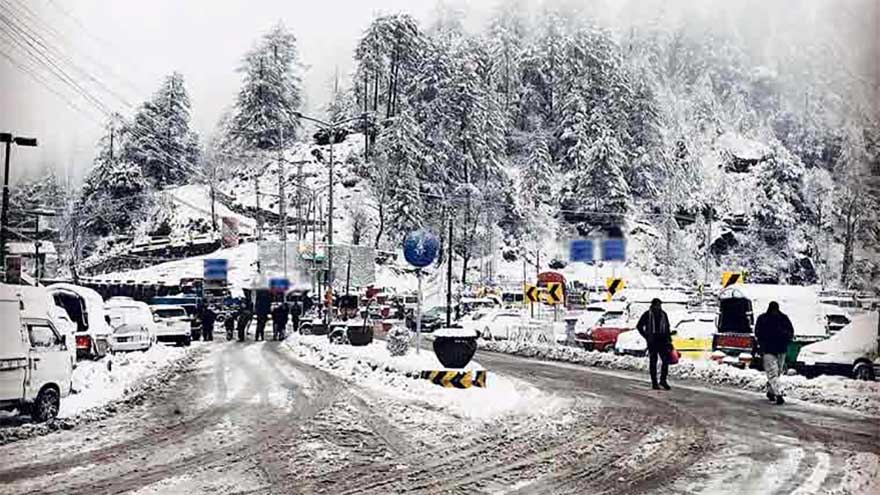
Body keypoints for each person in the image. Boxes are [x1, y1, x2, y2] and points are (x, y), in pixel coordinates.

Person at [755, 301, 794, 405]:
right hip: (780, 349)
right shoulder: (783, 318)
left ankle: (771, 391)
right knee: (776, 373)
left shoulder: (763, 319)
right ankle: (778, 394)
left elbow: (757, 333)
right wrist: (785, 338)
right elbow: (791, 332)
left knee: (774, 374)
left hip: (768, 349)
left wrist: (761, 344)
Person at [637, 298, 673, 390]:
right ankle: (654, 382)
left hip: (663, 341)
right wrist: (646, 336)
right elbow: (639, 326)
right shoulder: (647, 314)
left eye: (659, 305)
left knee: (665, 361)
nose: (658, 307)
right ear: (652, 305)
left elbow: (667, 328)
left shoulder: (663, 314)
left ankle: (663, 380)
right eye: (657, 305)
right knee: (653, 362)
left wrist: (669, 341)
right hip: (652, 342)